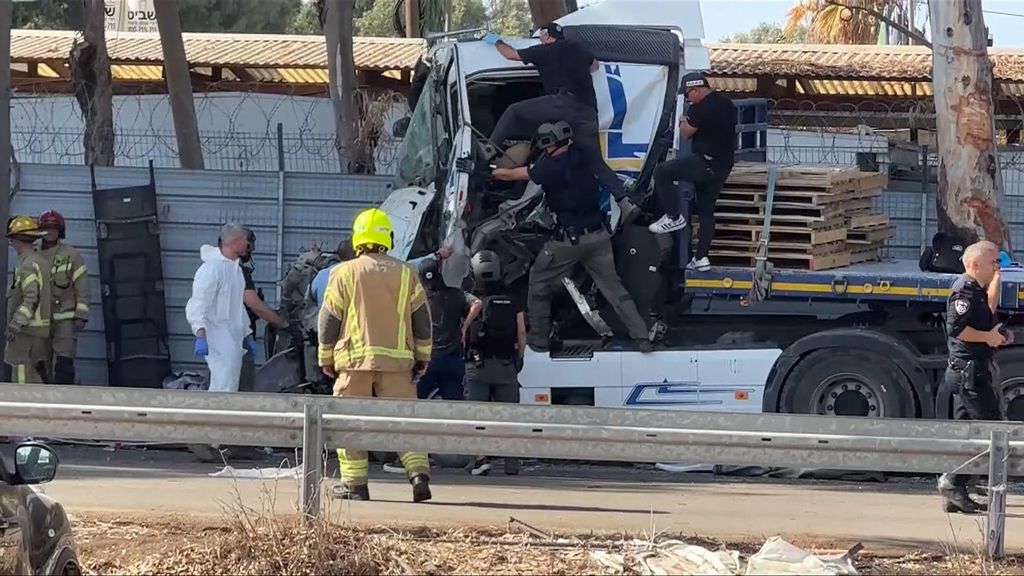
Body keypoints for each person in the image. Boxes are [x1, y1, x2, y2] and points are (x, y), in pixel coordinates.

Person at [492, 121, 652, 353]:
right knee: (615, 291)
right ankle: (641, 337)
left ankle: (538, 339)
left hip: (567, 243)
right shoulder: (584, 153)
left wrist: (490, 170)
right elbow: (605, 174)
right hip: (599, 238)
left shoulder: (549, 168)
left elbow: (514, 174)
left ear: (548, 144)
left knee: (538, 281)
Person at [318, 208, 434, 503]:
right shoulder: (407, 273)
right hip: (397, 363)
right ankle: (418, 473)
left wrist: (325, 356)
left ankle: (356, 485)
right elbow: (422, 319)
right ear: (388, 238)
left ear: (358, 238)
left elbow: (329, 319)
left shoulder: (343, 272)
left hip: (354, 363)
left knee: (349, 421)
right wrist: (423, 356)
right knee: (404, 421)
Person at [484, 24, 639, 222]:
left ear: (547, 35)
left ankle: (488, 150)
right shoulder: (576, 47)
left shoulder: (545, 50)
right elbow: (595, 66)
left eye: (541, 35)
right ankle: (624, 201)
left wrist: (495, 40)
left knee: (513, 112)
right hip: (588, 111)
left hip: (563, 103)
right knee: (596, 163)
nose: (540, 38)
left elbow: (511, 54)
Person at [938, 240, 1013, 514]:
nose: (998, 266)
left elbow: (990, 309)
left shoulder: (977, 289)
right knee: (991, 430)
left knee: (968, 434)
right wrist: (988, 337)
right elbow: (957, 330)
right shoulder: (963, 292)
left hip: (970, 370)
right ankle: (953, 483)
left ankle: (957, 487)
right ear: (975, 264)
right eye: (994, 262)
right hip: (968, 373)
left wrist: (997, 277)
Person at [648, 72, 737, 272]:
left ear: (696, 89)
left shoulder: (701, 107)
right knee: (706, 210)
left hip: (703, 162)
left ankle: (672, 216)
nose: (688, 98)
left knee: (663, 171)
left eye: (688, 94)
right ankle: (701, 257)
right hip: (722, 166)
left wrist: (682, 120)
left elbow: (686, 133)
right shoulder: (726, 104)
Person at [464, 250, 527, 476]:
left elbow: (463, 332)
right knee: (509, 417)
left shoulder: (473, 300)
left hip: (477, 367)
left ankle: (480, 460)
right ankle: (511, 463)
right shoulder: (513, 299)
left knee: (477, 416)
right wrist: (519, 357)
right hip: (505, 366)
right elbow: (521, 332)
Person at [185, 223, 255, 393]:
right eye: (246, 241)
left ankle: (220, 416)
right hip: (216, 333)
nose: (248, 245)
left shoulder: (235, 270)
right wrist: (200, 333)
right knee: (223, 383)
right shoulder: (211, 269)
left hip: (232, 335)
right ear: (236, 241)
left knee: (229, 381)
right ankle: (214, 417)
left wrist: (247, 333)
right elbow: (197, 304)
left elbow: (238, 306)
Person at [416, 258, 482, 401]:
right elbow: (477, 303)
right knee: (453, 405)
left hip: (427, 360)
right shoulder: (456, 294)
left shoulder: (418, 298)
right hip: (452, 359)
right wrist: (464, 327)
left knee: (419, 403)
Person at [37, 210, 89, 385]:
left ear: (61, 231)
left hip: (64, 320)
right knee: (40, 363)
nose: (50, 232)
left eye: (54, 228)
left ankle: (65, 400)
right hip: (39, 320)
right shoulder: (33, 255)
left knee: (63, 363)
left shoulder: (72, 255)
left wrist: (81, 315)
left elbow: (82, 286)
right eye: (46, 228)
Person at [238, 229, 289, 392]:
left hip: (239, 335)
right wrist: (281, 322)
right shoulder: (237, 271)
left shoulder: (231, 269)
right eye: (250, 245)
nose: (252, 250)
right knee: (241, 385)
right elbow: (255, 305)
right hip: (236, 338)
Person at [5, 216, 52, 384]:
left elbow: (31, 297)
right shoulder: (41, 261)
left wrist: (16, 324)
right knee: (34, 373)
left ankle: (22, 406)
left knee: (22, 374)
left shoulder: (26, 265)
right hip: (40, 332)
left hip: (27, 331)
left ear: (17, 240)